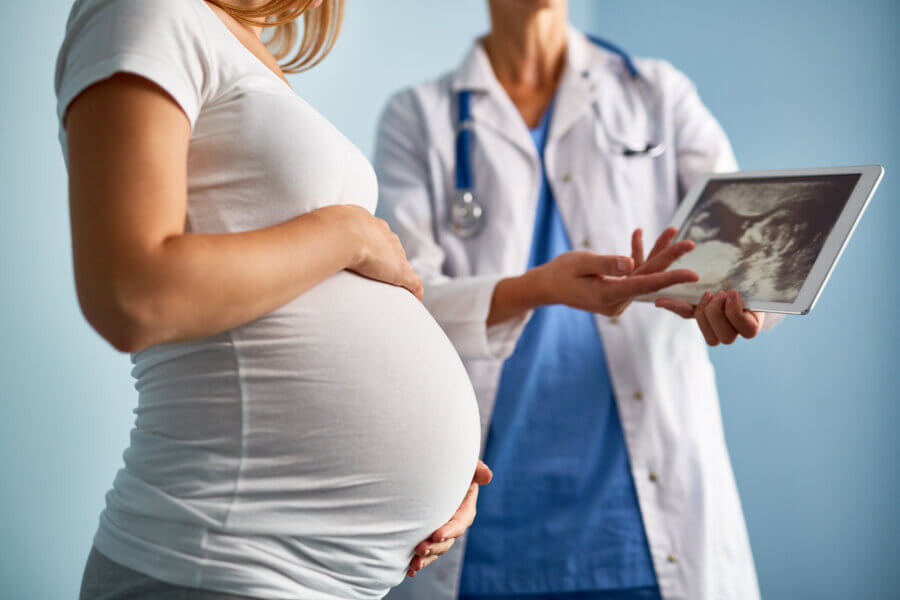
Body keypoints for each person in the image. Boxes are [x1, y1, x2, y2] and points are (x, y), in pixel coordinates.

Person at [55, 0, 499, 598]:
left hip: (320, 574)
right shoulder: (146, 10)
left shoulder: (240, 49)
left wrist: (437, 478)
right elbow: (130, 294)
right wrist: (350, 232)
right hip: (218, 561)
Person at [374, 1, 777, 599]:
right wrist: (538, 288)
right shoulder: (419, 117)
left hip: (643, 529)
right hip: (487, 526)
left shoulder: (657, 94)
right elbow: (403, 305)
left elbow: (746, 254)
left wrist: (751, 306)